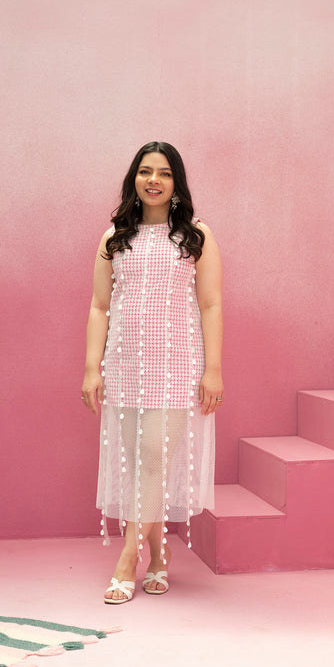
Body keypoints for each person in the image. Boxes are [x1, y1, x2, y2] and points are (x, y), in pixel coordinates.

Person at [81, 141, 223, 604]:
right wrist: (92, 368)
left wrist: (213, 370)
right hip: (125, 364)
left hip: (177, 364)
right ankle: (160, 554)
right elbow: (99, 306)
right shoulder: (114, 238)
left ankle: (128, 559)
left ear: (176, 182)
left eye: (164, 172)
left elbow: (211, 304)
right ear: (134, 179)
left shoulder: (195, 236)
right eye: (145, 171)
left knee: (155, 458)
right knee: (142, 462)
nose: (154, 180)